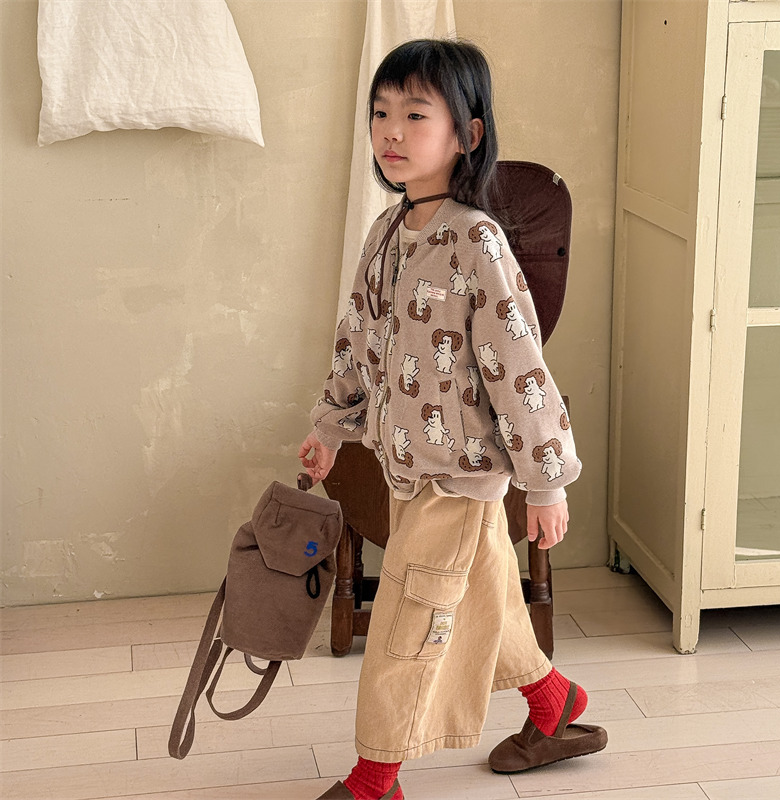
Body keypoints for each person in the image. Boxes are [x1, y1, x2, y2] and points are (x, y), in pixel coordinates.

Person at [299, 38, 607, 800]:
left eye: (415, 114)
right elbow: (357, 338)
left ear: (467, 133)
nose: (391, 131)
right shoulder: (384, 234)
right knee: (484, 595)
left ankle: (375, 778)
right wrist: (330, 426)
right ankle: (554, 703)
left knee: (407, 625)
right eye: (380, 113)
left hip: (460, 479)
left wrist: (546, 483)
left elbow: (520, 368)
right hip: (407, 468)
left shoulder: (478, 242)